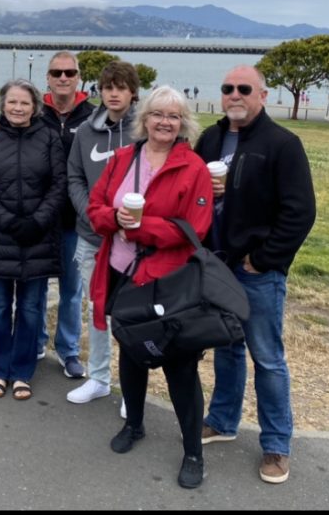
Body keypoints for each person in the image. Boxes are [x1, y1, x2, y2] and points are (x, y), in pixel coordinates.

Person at [87, 85, 213, 489]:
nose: (165, 122)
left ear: (183, 124)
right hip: (123, 273)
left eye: (174, 116)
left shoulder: (193, 167)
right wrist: (114, 219)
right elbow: (96, 209)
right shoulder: (124, 158)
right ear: (145, 119)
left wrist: (141, 227)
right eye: (158, 114)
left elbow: (196, 228)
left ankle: (193, 450)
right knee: (131, 355)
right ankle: (135, 424)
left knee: (181, 367)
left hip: (169, 283)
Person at [197, 65, 316, 485]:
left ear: (262, 95)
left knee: (267, 357)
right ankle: (223, 420)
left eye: (244, 88)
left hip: (257, 272)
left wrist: (263, 259)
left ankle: (277, 445)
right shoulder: (210, 139)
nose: (234, 95)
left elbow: (300, 212)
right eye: (227, 88)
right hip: (217, 265)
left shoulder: (282, 144)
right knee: (226, 348)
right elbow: (191, 194)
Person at [0, 79, 67, 401]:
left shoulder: (50, 139)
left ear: (35, 106)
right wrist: (8, 220)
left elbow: (59, 185)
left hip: (37, 236)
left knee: (30, 307)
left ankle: (22, 372)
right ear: (2, 105)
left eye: (24, 103)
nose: (17, 108)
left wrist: (38, 220)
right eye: (12, 102)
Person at [66, 61, 139, 406]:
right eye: (108, 87)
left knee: (130, 314)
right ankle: (98, 377)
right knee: (97, 310)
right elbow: (75, 178)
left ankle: (131, 386)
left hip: (133, 242)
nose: (113, 93)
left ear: (133, 93)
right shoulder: (85, 132)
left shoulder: (144, 131)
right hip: (92, 236)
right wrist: (93, 215)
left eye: (121, 87)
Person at [35, 51, 95, 379]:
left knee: (72, 290)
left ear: (78, 76)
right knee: (36, 286)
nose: (63, 78)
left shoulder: (93, 117)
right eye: (56, 72)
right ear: (48, 76)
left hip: (75, 221)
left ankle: (68, 350)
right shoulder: (35, 112)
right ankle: (35, 343)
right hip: (40, 218)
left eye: (69, 72)